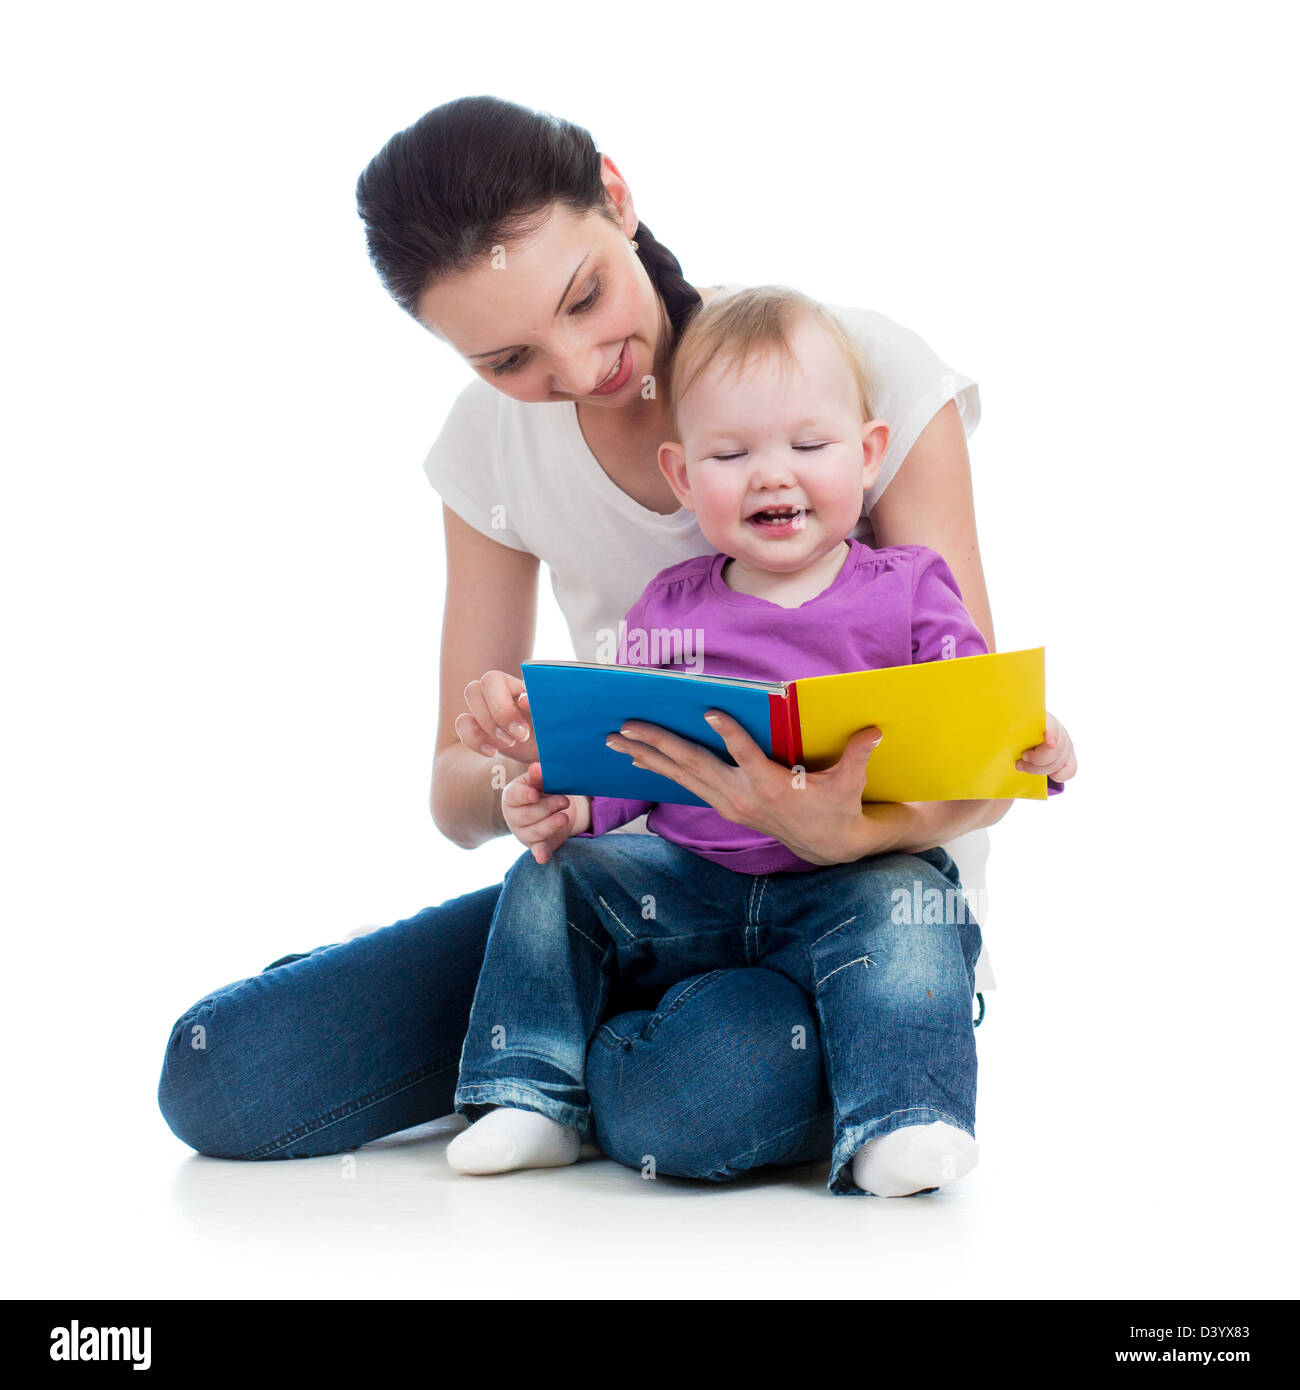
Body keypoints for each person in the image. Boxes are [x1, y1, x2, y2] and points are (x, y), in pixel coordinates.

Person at [156, 96, 1076, 1175]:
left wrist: (848, 834)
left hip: (856, 914)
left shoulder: (847, 368)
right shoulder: (489, 449)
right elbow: (453, 796)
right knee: (222, 1074)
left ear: (617, 195)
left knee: (702, 1091)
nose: (581, 364)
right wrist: (513, 772)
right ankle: (547, 1058)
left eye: (584, 296)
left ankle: (580, 1066)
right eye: (508, 358)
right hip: (638, 886)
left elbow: (978, 743)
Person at [446, 285, 1064, 1195]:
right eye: (731, 455)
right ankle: (529, 1092)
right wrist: (570, 803)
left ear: (868, 455)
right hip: (693, 885)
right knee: (551, 877)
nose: (773, 475)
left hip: (848, 884)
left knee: (910, 913)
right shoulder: (672, 607)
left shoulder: (907, 588)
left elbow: (972, 713)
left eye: (809, 447)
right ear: (685, 477)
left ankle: (905, 1115)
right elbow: (635, 756)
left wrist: (1035, 743)